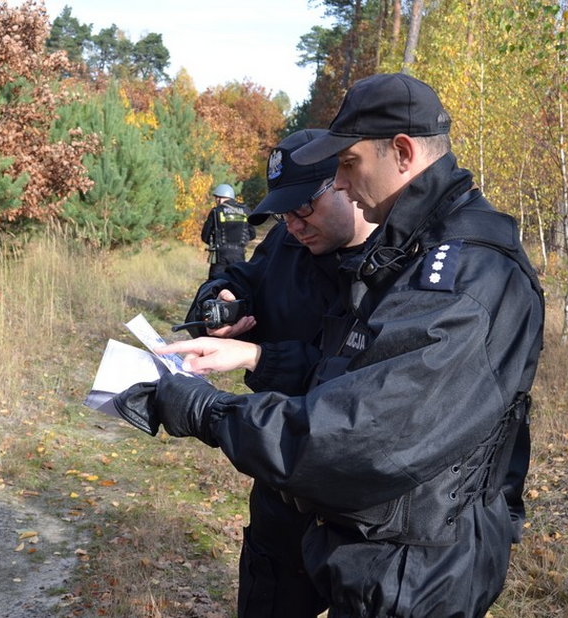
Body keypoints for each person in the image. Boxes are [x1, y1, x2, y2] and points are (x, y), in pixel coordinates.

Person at [114, 73, 544, 617]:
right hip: (363, 540)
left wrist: (209, 410)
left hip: (419, 568)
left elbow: (363, 431)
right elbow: (343, 367)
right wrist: (235, 322)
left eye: (348, 164)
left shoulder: (462, 274)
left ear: (403, 153)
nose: (341, 183)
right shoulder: (404, 246)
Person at [184, 129, 376, 617]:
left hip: (361, 514)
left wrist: (257, 358)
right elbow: (243, 275)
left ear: (346, 183)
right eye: (283, 212)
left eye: (303, 208)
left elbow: (358, 390)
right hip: (280, 490)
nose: (293, 224)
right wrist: (221, 299)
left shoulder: (397, 266)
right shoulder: (287, 242)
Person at [202, 183, 256, 278]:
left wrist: (213, 242)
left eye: (216, 198)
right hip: (239, 254)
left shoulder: (216, 211)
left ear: (220, 198)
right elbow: (253, 234)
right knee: (238, 285)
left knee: (215, 285)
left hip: (220, 256)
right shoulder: (245, 211)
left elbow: (204, 236)